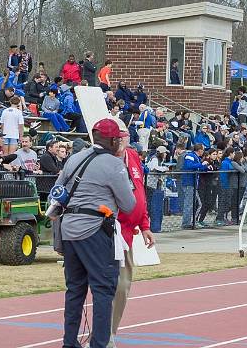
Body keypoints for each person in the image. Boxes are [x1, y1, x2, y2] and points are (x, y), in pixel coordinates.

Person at [55, 118, 136, 348]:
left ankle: (69, 342)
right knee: (103, 290)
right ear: (112, 140)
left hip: (69, 229)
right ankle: (99, 344)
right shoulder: (113, 164)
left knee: (74, 290)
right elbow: (128, 203)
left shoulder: (74, 159)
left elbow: (57, 191)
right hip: (95, 230)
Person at [109, 117, 155, 346]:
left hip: (128, 234)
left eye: (124, 135)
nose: (121, 139)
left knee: (123, 286)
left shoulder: (134, 157)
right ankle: (103, 335)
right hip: (107, 233)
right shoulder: (104, 161)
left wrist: (144, 225)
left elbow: (140, 193)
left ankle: (110, 333)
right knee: (109, 285)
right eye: (117, 136)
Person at [180, 143, 210, 229]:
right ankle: (186, 223)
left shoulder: (195, 157)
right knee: (189, 203)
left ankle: (191, 222)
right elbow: (189, 166)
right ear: (199, 150)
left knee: (197, 203)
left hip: (193, 183)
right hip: (189, 182)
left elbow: (198, 168)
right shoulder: (190, 156)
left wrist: (206, 167)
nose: (203, 152)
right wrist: (202, 165)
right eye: (203, 150)